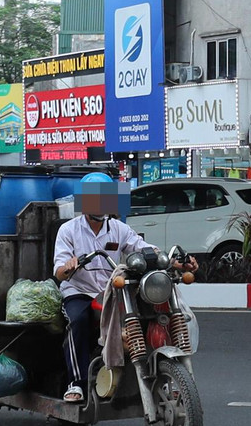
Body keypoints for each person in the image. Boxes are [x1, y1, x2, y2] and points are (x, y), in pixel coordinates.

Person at [52, 172, 197, 402]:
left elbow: (143, 248)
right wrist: (69, 266)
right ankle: (76, 383)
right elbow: (59, 271)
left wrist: (176, 261)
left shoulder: (119, 228)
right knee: (77, 321)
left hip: (111, 290)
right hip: (79, 292)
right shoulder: (69, 230)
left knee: (148, 315)